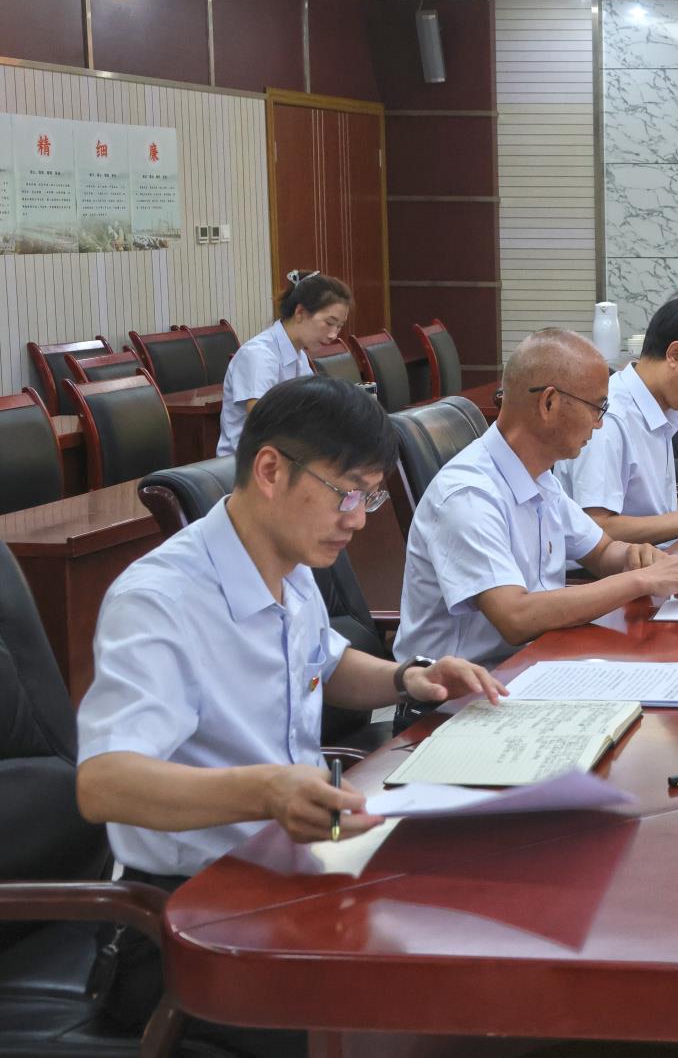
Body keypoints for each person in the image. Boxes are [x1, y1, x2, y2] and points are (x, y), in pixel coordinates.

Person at [75, 378, 502, 1056]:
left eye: (371, 497)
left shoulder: (289, 563)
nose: (359, 519)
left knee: (482, 927)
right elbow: (104, 783)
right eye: (347, 493)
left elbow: (323, 662)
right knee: (423, 1010)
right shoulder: (160, 601)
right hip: (184, 923)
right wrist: (268, 791)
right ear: (272, 471)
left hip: (291, 873)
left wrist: (407, 676)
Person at [397, 329, 678, 670]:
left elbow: (601, 552)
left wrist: (636, 558)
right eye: (597, 408)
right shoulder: (469, 494)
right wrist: (639, 580)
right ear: (549, 403)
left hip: (538, 663)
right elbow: (515, 617)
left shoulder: (540, 478)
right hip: (466, 690)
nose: (599, 425)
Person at [554, 289, 678, 544]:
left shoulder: (660, 409)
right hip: (620, 566)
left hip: (660, 557)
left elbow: (654, 510)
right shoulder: (610, 418)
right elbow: (597, 527)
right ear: (675, 354)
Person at [217, 269, 350, 455]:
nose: (333, 335)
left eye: (339, 326)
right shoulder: (258, 354)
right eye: (329, 323)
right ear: (300, 312)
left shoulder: (299, 355)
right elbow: (264, 422)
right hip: (249, 464)